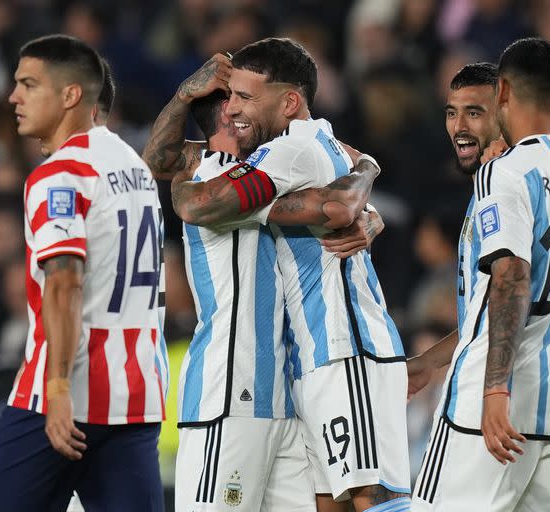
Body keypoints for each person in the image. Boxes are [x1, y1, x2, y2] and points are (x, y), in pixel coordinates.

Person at [168, 39, 409, 511]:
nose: (238, 109)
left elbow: (336, 203)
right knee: (337, 501)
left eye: (246, 99)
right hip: (298, 369)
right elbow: (336, 198)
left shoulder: (290, 150)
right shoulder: (250, 163)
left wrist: (360, 186)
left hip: (340, 349)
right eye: (231, 100)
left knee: (372, 497)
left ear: (288, 102)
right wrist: (366, 172)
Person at [409, 37, 550, 511]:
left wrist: (495, 389)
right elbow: (522, 298)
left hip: (492, 404)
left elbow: (512, 281)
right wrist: (431, 361)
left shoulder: (503, 174)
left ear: (501, 93)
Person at [0, 35, 165, 511]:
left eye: (28, 84)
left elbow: (63, 282)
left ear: (70, 95)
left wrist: (57, 390)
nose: (13, 96)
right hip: (134, 398)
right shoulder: (135, 168)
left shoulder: (59, 174)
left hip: (61, 398)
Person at [406, 62, 501, 402]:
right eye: (451, 113)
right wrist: (429, 362)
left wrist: (495, 392)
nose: (458, 127)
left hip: (495, 392)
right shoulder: (483, 190)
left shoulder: (505, 188)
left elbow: (513, 296)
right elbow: (485, 314)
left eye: (474, 113)